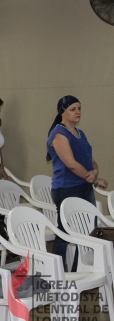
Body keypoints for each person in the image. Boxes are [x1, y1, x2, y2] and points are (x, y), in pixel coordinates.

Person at [47, 95, 106, 271]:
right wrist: (93, 177)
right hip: (67, 189)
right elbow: (71, 164)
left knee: (87, 230)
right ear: (63, 112)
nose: (77, 112)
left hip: (84, 187)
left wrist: (95, 172)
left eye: (79, 108)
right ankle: (55, 272)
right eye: (73, 109)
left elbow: (90, 160)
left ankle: (77, 269)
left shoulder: (80, 133)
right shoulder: (59, 133)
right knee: (66, 233)